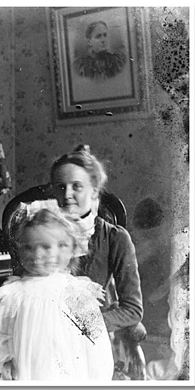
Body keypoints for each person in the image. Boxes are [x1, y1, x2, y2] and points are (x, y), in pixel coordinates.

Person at [0, 206, 114, 381]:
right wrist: (5, 359)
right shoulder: (14, 294)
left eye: (45, 247)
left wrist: (98, 379)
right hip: (27, 371)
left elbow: (97, 341)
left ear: (64, 249)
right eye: (27, 247)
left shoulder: (76, 292)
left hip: (69, 373)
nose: (36, 254)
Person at [49, 145, 144, 339]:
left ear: (94, 191)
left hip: (88, 333)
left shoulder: (115, 238)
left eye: (76, 186)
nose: (67, 194)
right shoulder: (42, 231)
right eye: (61, 187)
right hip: (45, 325)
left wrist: (83, 326)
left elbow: (133, 309)